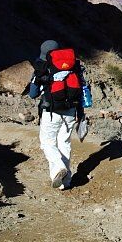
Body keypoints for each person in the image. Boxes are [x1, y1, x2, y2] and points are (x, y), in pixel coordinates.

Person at [28, 40, 85, 190]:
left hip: (51, 112)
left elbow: (32, 94)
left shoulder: (42, 67)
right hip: (71, 112)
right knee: (64, 143)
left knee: (47, 143)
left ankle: (59, 167)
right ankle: (65, 182)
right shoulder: (74, 66)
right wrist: (81, 114)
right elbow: (81, 91)